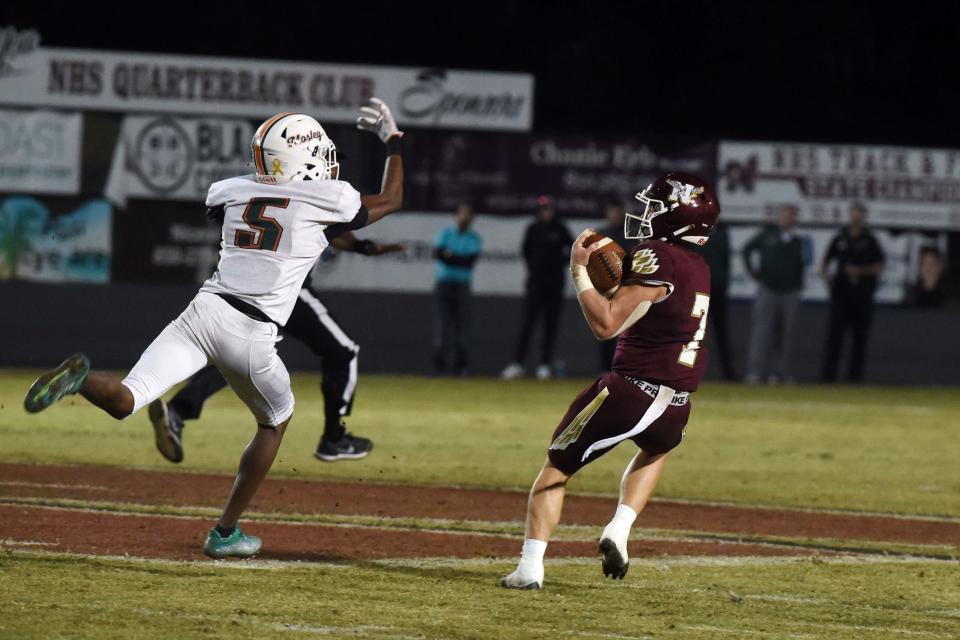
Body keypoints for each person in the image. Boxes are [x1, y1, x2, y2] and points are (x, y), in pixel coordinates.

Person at [23, 100, 405, 559]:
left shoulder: (231, 192)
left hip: (203, 311)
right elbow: (390, 200)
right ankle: (225, 532)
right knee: (275, 422)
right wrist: (394, 142)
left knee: (127, 398)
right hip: (252, 331)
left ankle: (81, 380)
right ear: (301, 161)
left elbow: (286, 213)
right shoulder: (331, 197)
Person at [500, 173, 719, 590]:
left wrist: (580, 272)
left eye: (656, 208)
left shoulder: (659, 255)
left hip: (632, 390)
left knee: (556, 468)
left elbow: (606, 324)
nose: (646, 214)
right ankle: (619, 529)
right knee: (656, 451)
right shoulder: (699, 267)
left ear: (680, 217)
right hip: (677, 405)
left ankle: (529, 568)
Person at [148, 229, 403, 465]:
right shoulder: (313, 192)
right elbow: (361, 211)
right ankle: (334, 438)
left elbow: (331, 228)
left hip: (246, 284)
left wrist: (359, 245)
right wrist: (364, 243)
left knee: (237, 355)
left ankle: (177, 411)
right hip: (288, 289)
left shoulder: (257, 191)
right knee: (344, 351)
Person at [501, 196, 574, 380]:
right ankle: (518, 364)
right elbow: (525, 251)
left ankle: (544, 365)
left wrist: (559, 263)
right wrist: (535, 266)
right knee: (527, 324)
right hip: (535, 284)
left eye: (549, 209)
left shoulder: (561, 228)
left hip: (555, 285)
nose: (546, 212)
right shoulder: (533, 228)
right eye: (543, 209)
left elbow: (575, 250)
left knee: (550, 326)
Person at [820, 202, 885, 382]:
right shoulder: (840, 238)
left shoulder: (870, 240)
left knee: (859, 338)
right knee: (835, 337)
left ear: (863, 216)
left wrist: (859, 271)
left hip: (862, 294)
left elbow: (879, 266)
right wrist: (829, 285)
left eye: (860, 214)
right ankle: (828, 377)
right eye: (854, 213)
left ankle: (854, 378)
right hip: (841, 293)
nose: (856, 216)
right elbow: (825, 264)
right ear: (850, 215)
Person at [742, 205, 806, 384]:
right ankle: (754, 372)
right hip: (768, 289)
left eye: (791, 216)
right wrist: (752, 271)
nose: (787, 219)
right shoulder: (767, 235)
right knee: (761, 333)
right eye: (784, 215)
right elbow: (747, 249)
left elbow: (800, 266)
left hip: (790, 292)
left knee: (785, 335)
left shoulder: (797, 241)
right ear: (779, 218)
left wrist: (798, 286)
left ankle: (779, 373)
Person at [433, 203, 482, 375]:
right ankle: (440, 367)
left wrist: (451, 256)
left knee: (462, 326)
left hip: (462, 286)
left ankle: (461, 366)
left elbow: (468, 261)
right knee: (443, 325)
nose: (465, 217)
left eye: (468, 214)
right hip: (444, 284)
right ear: (455, 216)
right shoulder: (445, 233)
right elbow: (439, 254)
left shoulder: (474, 238)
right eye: (462, 213)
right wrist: (456, 258)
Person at [694, 219, 737, 380]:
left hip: (718, 289)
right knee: (694, 334)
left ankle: (728, 373)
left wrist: (724, 283)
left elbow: (726, 262)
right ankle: (688, 373)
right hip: (698, 290)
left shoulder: (723, 234)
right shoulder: (693, 234)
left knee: (721, 333)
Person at [597, 201, 628, 371]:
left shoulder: (628, 234)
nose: (614, 216)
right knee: (606, 331)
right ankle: (604, 369)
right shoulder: (600, 235)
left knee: (625, 332)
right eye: (611, 212)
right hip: (606, 290)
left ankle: (621, 370)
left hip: (625, 290)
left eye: (617, 212)